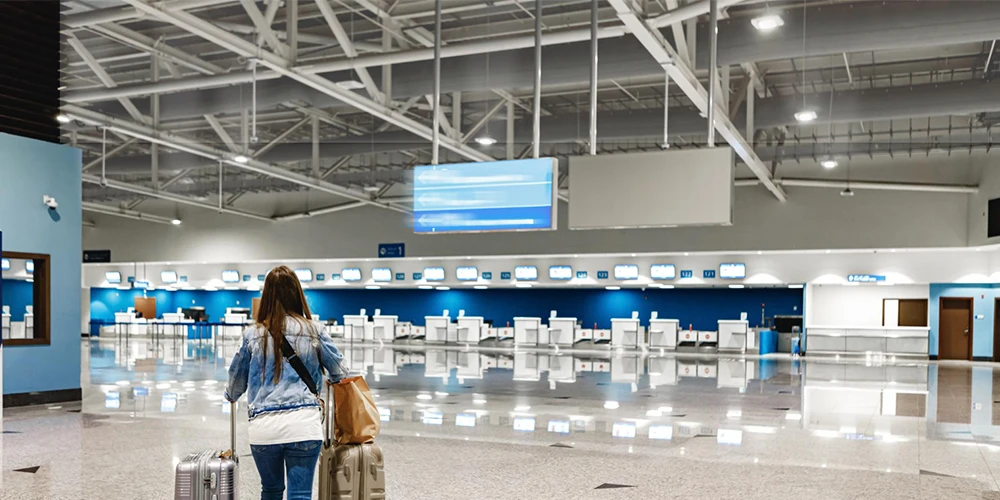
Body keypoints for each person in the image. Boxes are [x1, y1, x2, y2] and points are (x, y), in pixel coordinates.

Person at [225, 265, 347, 500]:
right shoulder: (315, 330)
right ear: (297, 293)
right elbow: (340, 372)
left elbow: (235, 384)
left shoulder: (252, 334)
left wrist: (231, 394)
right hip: (303, 426)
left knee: (270, 490)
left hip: (263, 428)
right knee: (300, 495)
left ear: (267, 296)